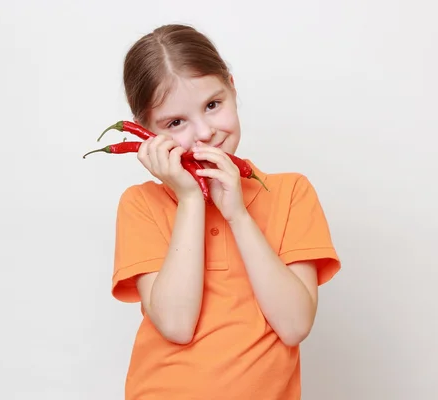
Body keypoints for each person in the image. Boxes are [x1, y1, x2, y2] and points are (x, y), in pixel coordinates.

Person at [110, 23, 341, 399]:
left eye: (212, 105)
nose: (204, 132)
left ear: (232, 88)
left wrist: (238, 215)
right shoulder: (141, 205)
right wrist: (190, 200)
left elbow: (295, 325)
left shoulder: (291, 193)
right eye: (176, 122)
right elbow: (176, 325)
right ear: (147, 134)